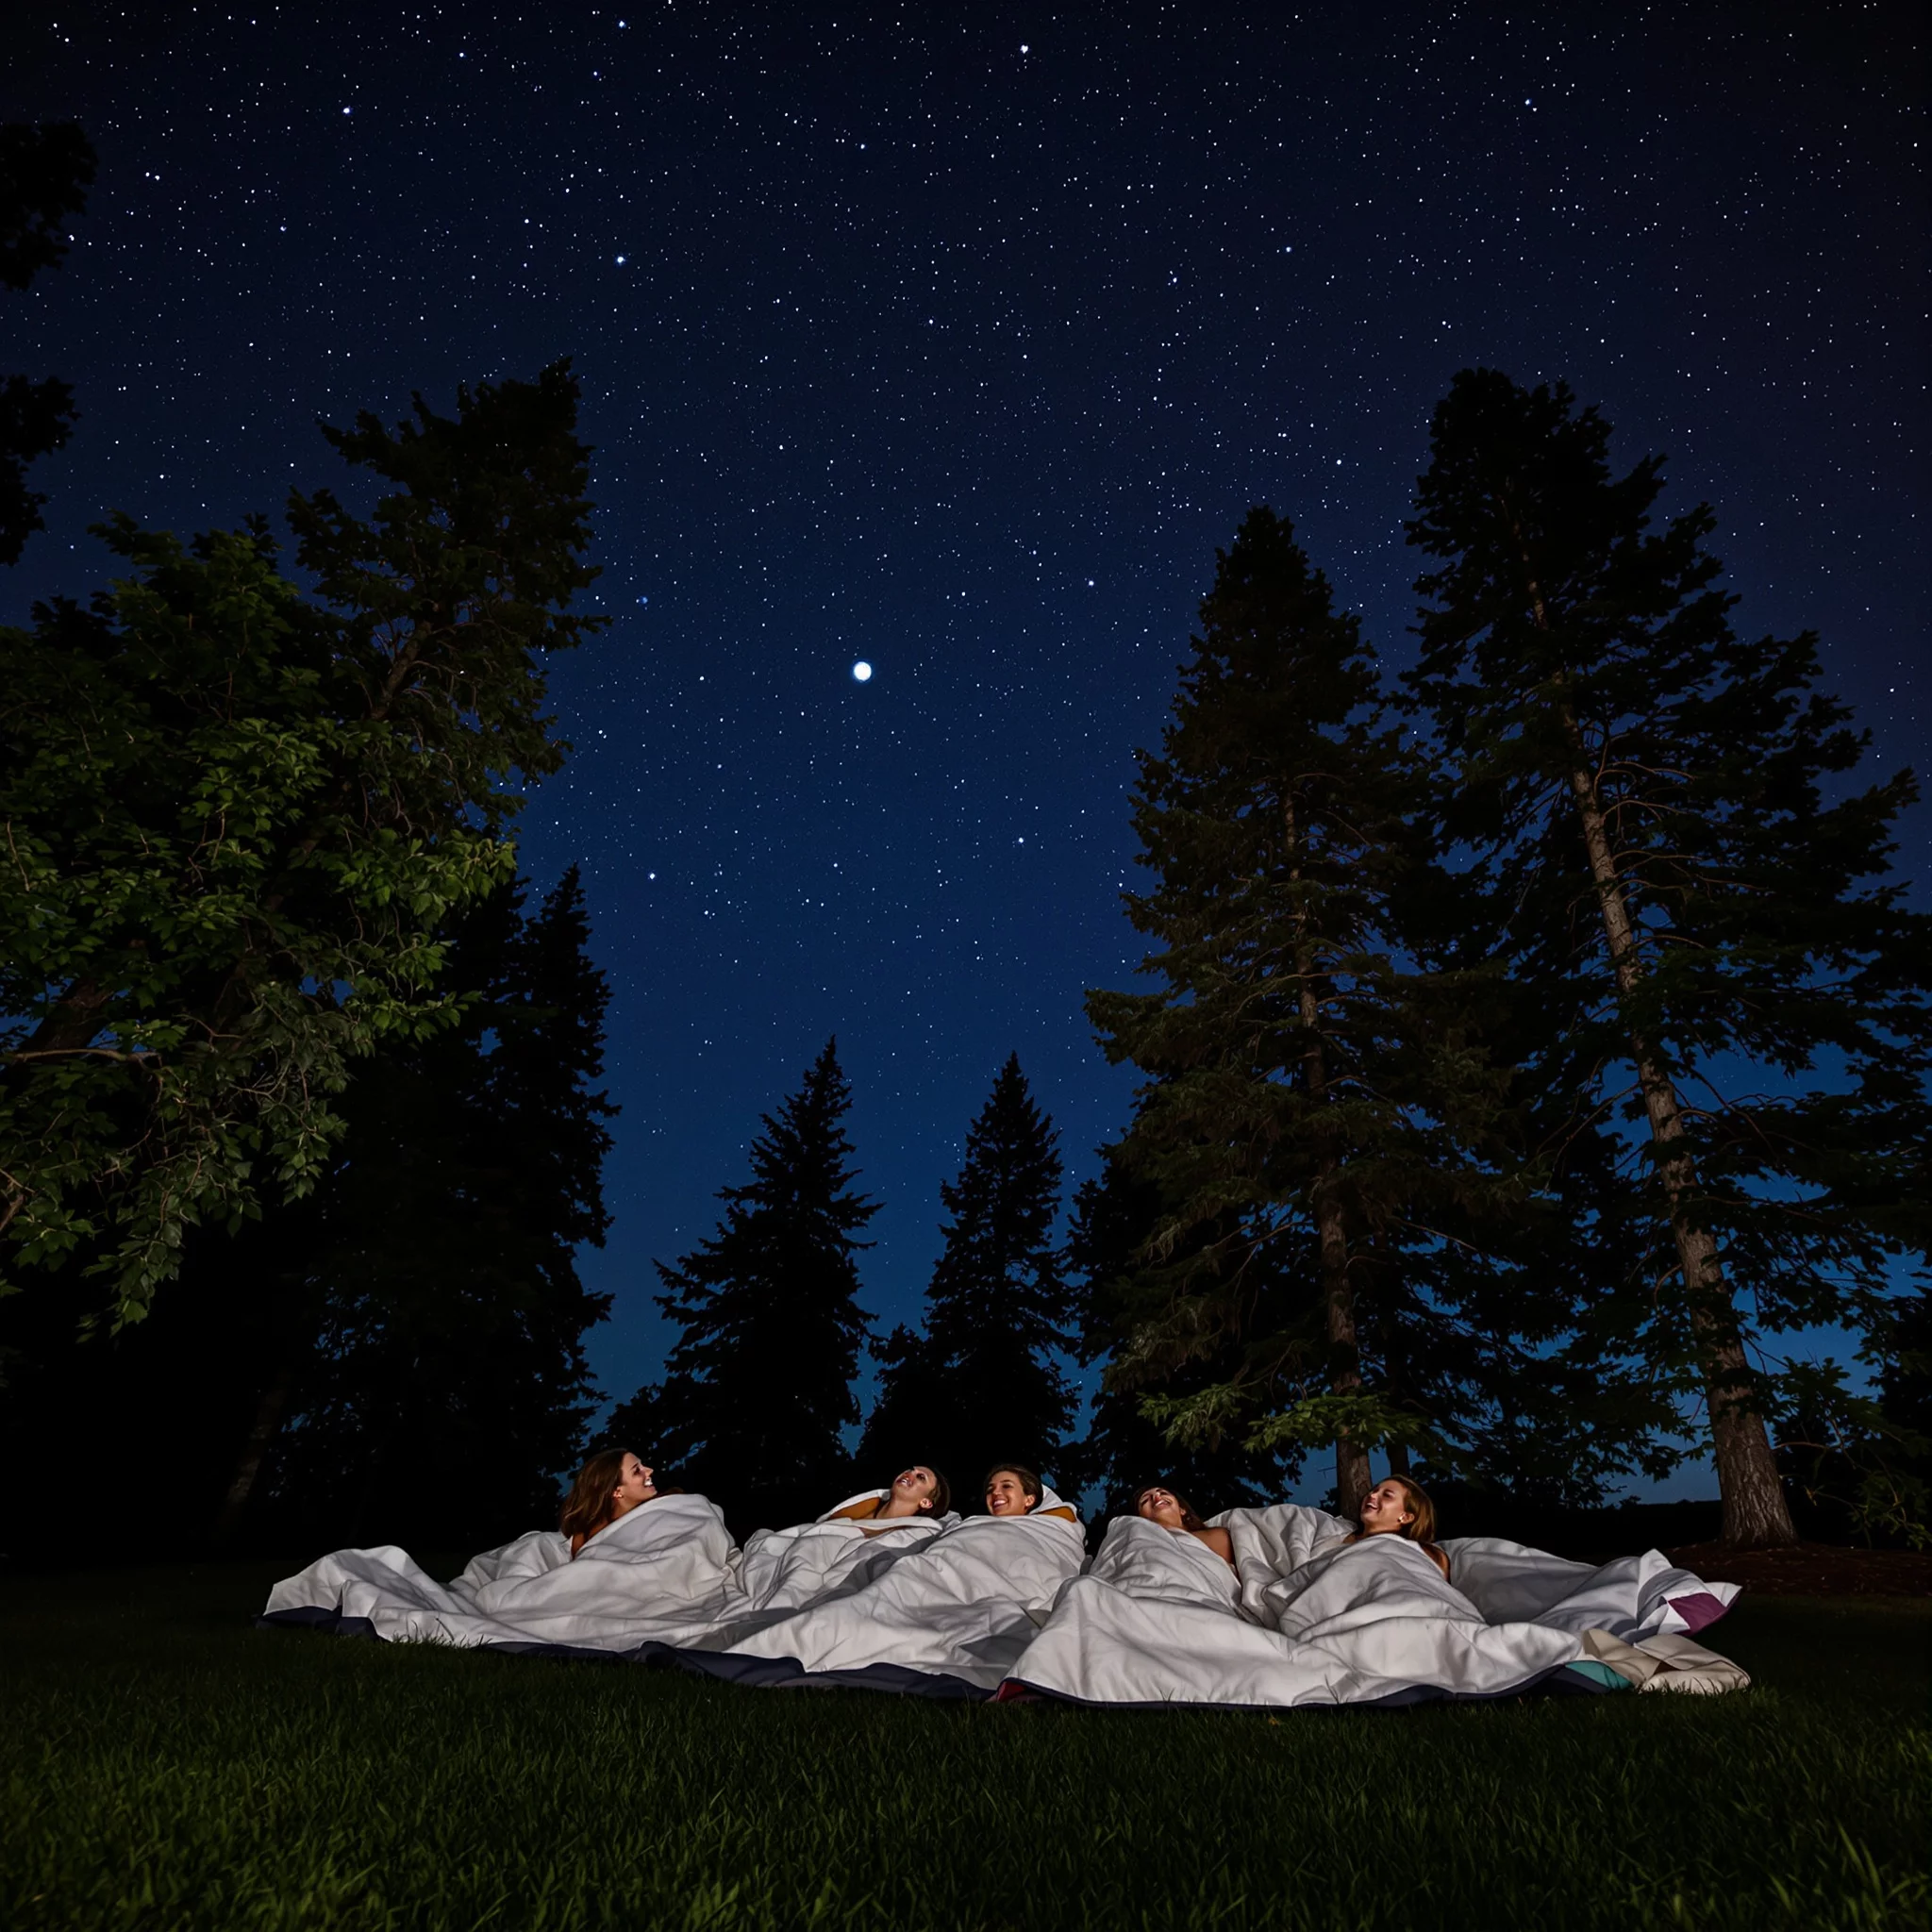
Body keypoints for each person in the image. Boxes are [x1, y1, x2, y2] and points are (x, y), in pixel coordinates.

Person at [1344, 1474, 1449, 1577]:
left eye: (1387, 1495)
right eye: (1374, 1490)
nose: (1372, 1495)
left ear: (1405, 1517)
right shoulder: (1338, 1535)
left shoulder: (1420, 1552)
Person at [559, 1448, 659, 1557]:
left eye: (642, 1465)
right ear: (616, 1491)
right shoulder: (587, 1538)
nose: (650, 1470)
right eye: (637, 1471)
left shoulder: (661, 1508)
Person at [824, 1465, 953, 1532]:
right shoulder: (857, 1510)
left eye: (920, 1477)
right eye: (911, 1469)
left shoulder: (906, 1538)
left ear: (926, 1502)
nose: (909, 1473)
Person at [1135, 1482, 1234, 1567]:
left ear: (1182, 1510)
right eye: (1145, 1501)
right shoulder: (1143, 1550)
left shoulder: (1215, 1535)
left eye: (1163, 1493)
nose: (1156, 1496)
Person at [984, 1462, 1077, 1520]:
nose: (995, 1492)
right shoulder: (976, 1527)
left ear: (1029, 1500)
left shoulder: (1047, 1530)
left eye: (1006, 1486)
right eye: (990, 1489)